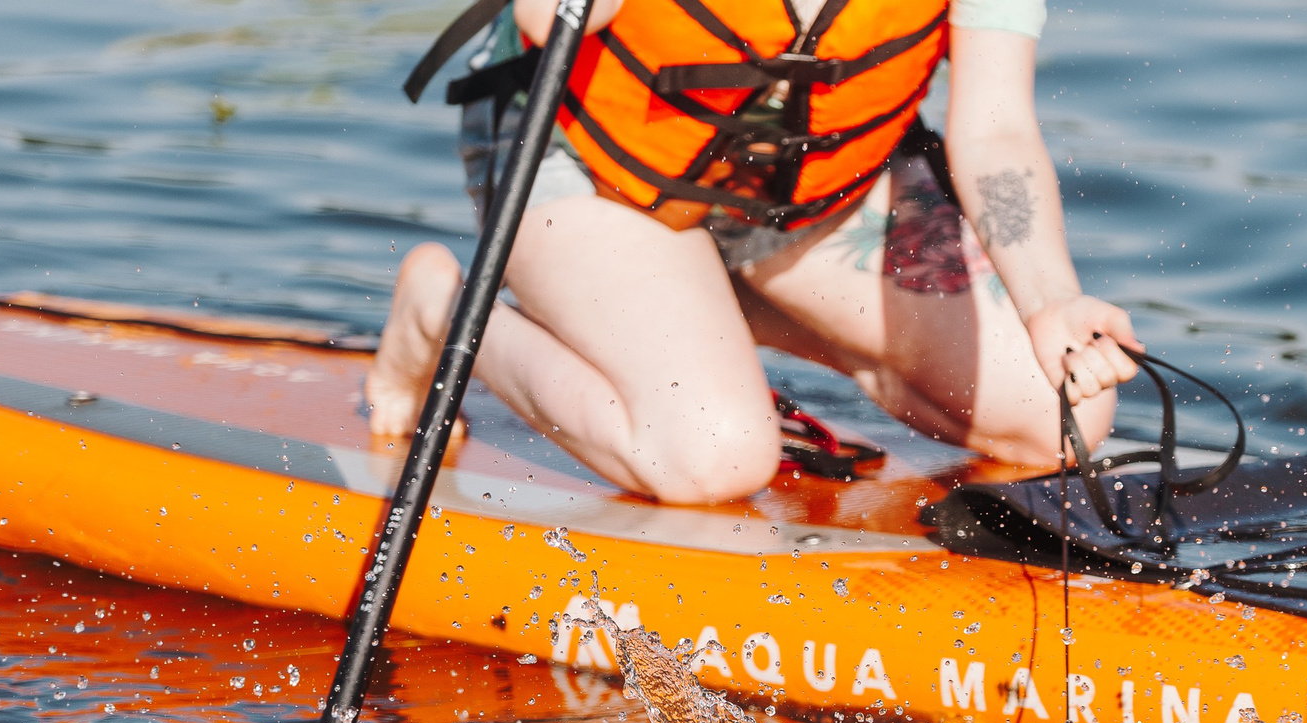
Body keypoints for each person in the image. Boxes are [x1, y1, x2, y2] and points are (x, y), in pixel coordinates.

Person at [368, 0, 1139, 504]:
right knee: (714, 455)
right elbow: (543, 18)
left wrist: (1049, 300)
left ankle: (700, 307)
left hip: (805, 189)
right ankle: (443, 312)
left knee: (1061, 407)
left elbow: (995, 126)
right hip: (592, 164)